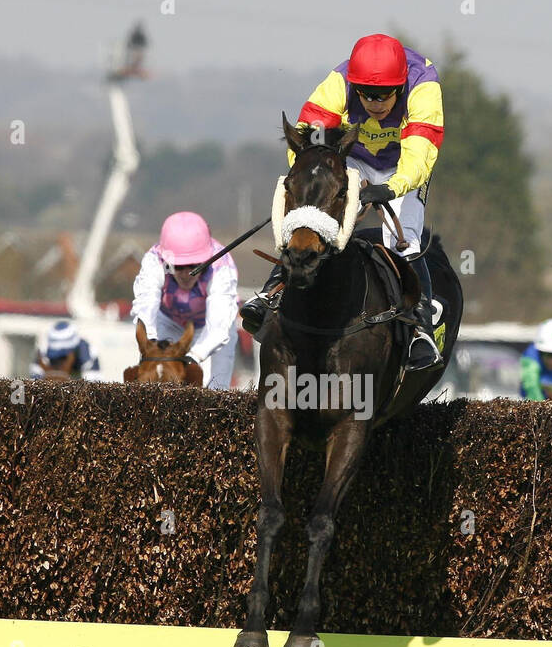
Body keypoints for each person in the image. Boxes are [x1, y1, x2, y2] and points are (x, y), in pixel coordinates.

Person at [240, 32, 444, 371]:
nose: (375, 103)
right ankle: (271, 291)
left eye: (383, 95)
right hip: (352, 157)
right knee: (311, 215)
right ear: (355, 85)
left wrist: (391, 188)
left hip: (405, 165)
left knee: (402, 237)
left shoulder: (424, 85)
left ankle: (421, 327)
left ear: (401, 85)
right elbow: (307, 141)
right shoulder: (339, 81)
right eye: (366, 95)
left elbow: (420, 156)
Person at [131, 211, 239, 390]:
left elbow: (218, 328)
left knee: (218, 388)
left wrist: (194, 356)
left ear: (206, 260)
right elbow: (146, 306)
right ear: (166, 260)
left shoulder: (221, 267)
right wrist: (150, 341)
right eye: (179, 266)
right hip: (168, 321)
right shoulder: (154, 260)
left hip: (210, 327)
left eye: (195, 265)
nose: (186, 273)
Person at [30, 320, 104, 381]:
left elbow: (94, 388)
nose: (59, 361)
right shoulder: (43, 351)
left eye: (63, 356)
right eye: (56, 356)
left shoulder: (89, 355)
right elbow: (34, 381)